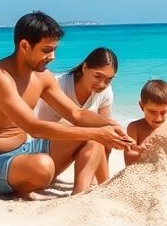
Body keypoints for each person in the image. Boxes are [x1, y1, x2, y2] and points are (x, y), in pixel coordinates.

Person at [0, 12, 133, 198]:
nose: (52, 57)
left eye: (54, 50)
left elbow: (76, 114)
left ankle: (80, 196)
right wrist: (96, 132)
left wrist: (111, 127)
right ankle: (25, 183)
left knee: (92, 137)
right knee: (44, 166)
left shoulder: (43, 77)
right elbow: (32, 127)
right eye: (46, 50)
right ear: (25, 45)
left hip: (23, 151)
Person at [37, 47, 118, 182]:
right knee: (96, 133)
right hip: (44, 155)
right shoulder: (59, 85)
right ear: (85, 67)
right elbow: (43, 129)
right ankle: (103, 183)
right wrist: (87, 129)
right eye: (98, 76)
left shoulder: (105, 91)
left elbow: (106, 131)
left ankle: (98, 185)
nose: (102, 84)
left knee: (104, 136)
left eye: (109, 79)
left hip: (80, 145)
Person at [124, 79, 167, 165]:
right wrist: (140, 152)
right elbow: (128, 157)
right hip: (142, 174)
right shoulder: (134, 128)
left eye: (163, 112)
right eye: (152, 112)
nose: (158, 118)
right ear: (141, 106)